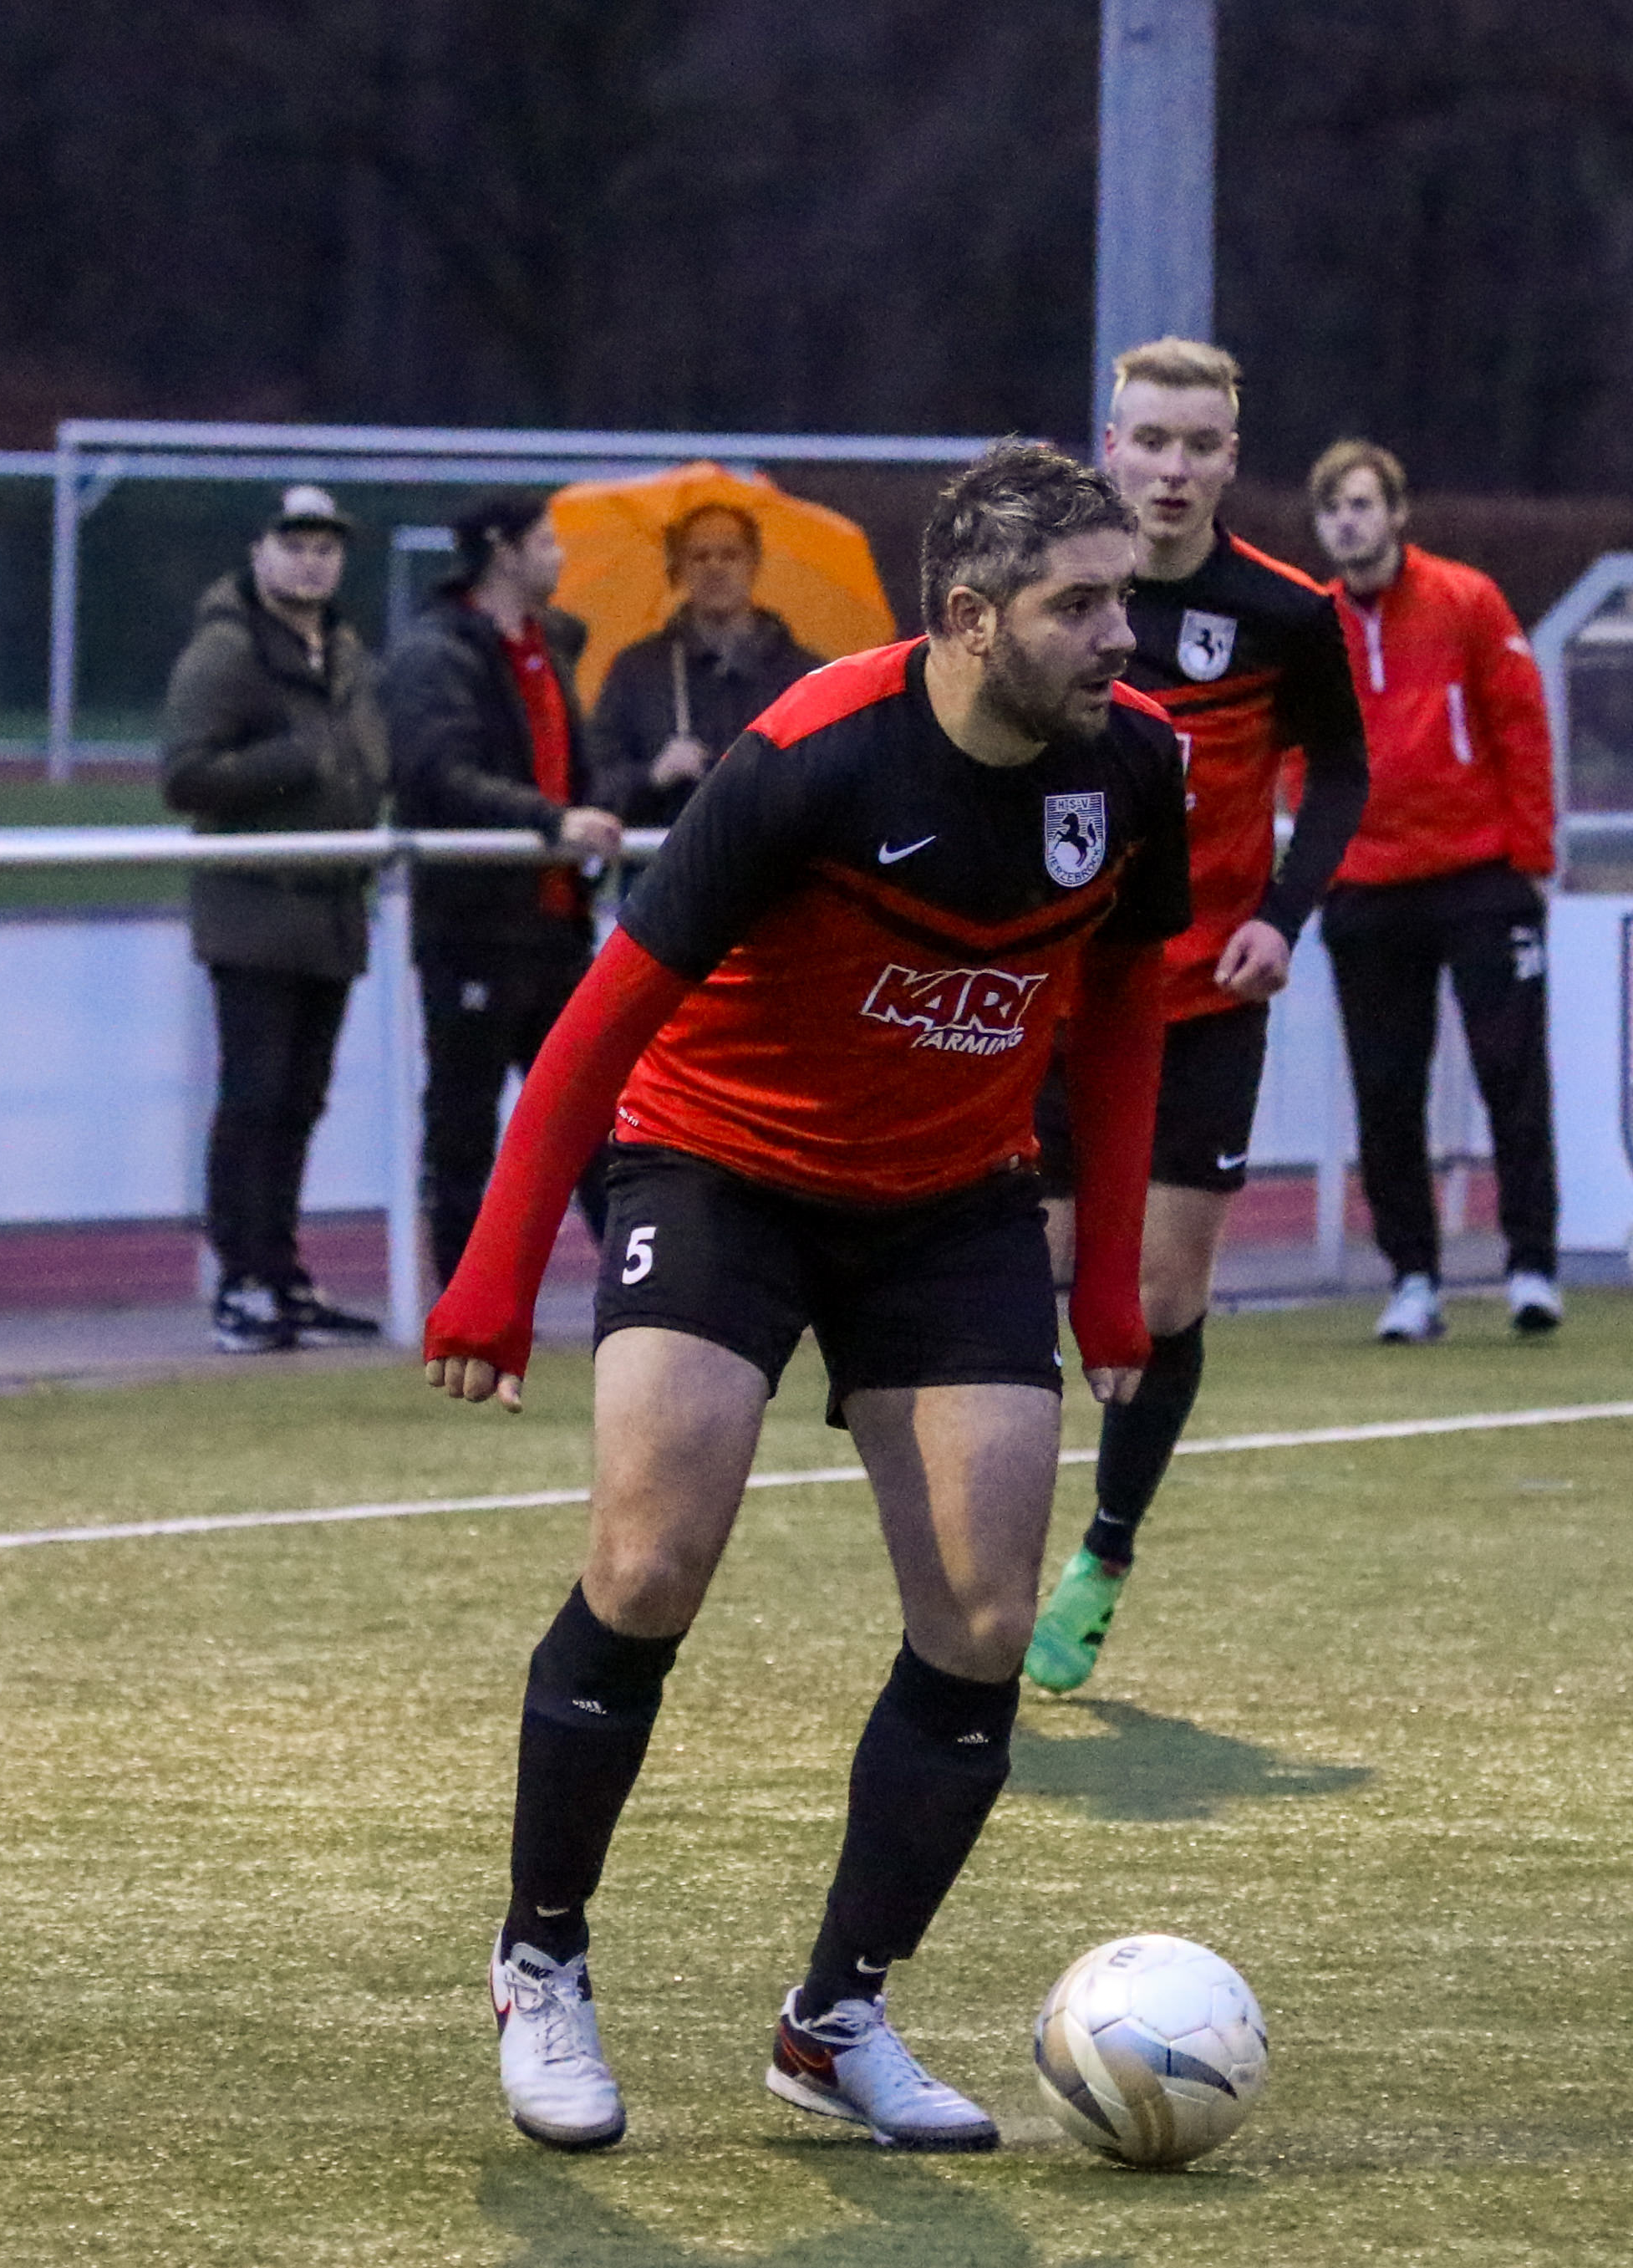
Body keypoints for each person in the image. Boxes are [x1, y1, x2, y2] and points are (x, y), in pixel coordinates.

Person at [420, 441, 1188, 2155]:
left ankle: (835, 2019)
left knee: (982, 1619)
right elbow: (598, 1026)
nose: (1120, 635)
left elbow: (1127, 1010)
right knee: (647, 1564)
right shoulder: (809, 754)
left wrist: (1111, 1281)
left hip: (951, 1202)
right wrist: (493, 1277)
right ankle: (541, 1960)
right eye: (1079, 604)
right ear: (971, 618)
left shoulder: (1137, 765)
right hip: (720, 1168)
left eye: (1124, 598)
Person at [1020, 349, 1366, 1698]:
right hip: (1051, 997)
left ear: (1232, 458)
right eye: (1150, 440)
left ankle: (1103, 1550)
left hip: (1202, 1000)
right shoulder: (1046, 593)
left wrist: (1282, 912)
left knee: (1162, 1300)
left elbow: (1341, 771)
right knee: (1021, 1283)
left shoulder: (1284, 611)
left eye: (1198, 444)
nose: (1171, 468)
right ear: (1107, 444)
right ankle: (984, 1553)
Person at [1296, 434, 1560, 1355]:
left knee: (1511, 1074)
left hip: (1478, 874)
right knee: (1385, 1089)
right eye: (1333, 509)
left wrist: (1530, 853)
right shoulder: (1312, 624)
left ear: (1397, 513)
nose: (1347, 522)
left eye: (1362, 504)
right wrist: (1324, 857)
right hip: (1367, 885)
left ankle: (1531, 1265)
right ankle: (1412, 1277)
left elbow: (1519, 719)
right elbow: (1296, 746)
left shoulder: (1466, 598)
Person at [160, 485, 391, 1353]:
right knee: (254, 1099)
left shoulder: (344, 649)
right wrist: (296, 760)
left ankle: (280, 1270)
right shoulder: (226, 650)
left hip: (329, 910)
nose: (311, 562)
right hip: (255, 907)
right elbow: (183, 774)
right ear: (258, 552)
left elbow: (363, 755)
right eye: (294, 545)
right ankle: (242, 1279)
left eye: (326, 548)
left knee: (298, 1101)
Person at [384, 492, 628, 1287]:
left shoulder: (550, 645)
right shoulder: (435, 654)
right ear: (502, 549)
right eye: (546, 541)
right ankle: (463, 1301)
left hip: (556, 923)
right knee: (465, 1121)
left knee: (593, 1119)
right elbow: (435, 775)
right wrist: (551, 820)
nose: (560, 556)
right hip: (475, 925)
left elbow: (565, 768)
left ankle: (641, 1291)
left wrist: (595, 808)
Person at [587, 501, 821, 825]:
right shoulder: (638, 671)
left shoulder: (803, 676)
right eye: (699, 556)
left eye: (730, 555)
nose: (715, 567)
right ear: (679, 568)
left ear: (754, 563)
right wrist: (653, 776)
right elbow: (595, 784)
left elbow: (832, 780)